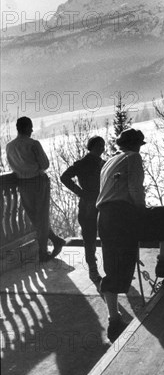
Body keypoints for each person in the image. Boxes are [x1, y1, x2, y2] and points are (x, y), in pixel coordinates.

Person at [96, 128, 164, 343]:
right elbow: (135, 188)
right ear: (137, 144)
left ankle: (113, 319)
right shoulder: (133, 157)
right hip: (125, 214)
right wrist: (142, 212)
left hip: (105, 217)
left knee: (113, 267)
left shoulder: (109, 161)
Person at [6, 116, 66, 262]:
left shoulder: (9, 146)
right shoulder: (33, 144)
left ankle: (52, 244)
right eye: (31, 127)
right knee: (42, 216)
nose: (32, 130)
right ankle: (44, 251)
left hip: (22, 183)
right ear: (26, 128)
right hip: (38, 182)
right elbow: (45, 164)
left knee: (34, 217)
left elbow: (12, 165)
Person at [60, 136, 105, 283]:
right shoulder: (83, 164)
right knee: (90, 238)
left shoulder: (103, 163)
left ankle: (107, 269)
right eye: (99, 146)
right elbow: (64, 177)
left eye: (103, 146)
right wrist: (80, 192)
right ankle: (93, 269)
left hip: (100, 204)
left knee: (102, 237)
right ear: (91, 147)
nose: (102, 148)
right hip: (89, 206)